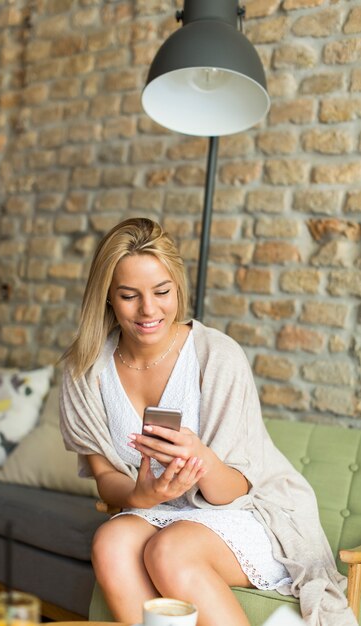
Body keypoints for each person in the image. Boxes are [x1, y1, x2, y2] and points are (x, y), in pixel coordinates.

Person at [59, 217, 356, 626]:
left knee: (170, 550)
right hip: (156, 512)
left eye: (162, 292)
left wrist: (201, 458)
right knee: (110, 541)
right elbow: (105, 475)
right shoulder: (85, 371)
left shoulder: (216, 356)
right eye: (129, 295)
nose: (149, 310)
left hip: (249, 510)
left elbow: (234, 489)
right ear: (107, 297)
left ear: (177, 288)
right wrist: (141, 494)